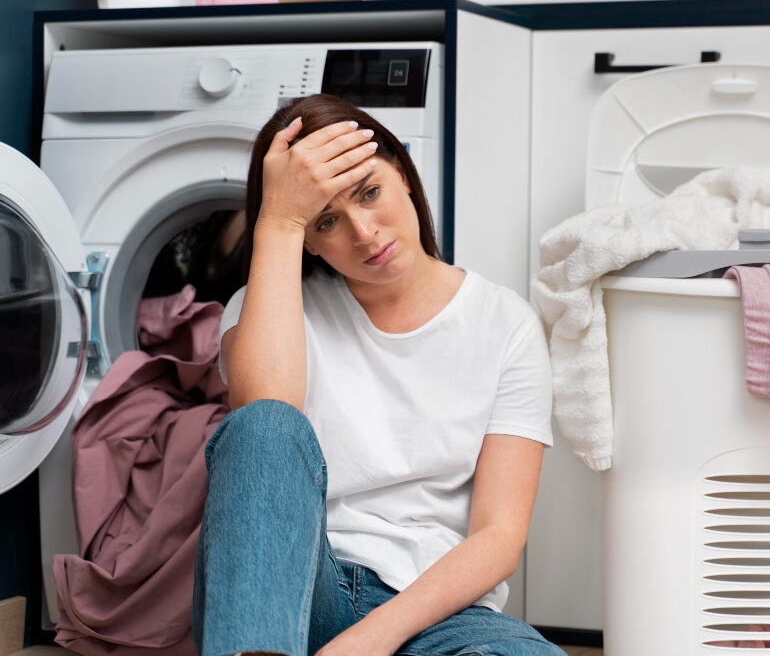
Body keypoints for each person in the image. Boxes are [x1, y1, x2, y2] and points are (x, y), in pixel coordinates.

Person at [191, 93, 562, 656]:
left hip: (437, 609)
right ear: (308, 241)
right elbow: (264, 424)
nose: (364, 233)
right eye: (326, 221)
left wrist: (370, 639)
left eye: (370, 192)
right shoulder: (268, 306)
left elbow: (499, 536)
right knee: (263, 423)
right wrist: (279, 220)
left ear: (405, 174)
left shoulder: (505, 323)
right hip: (292, 591)